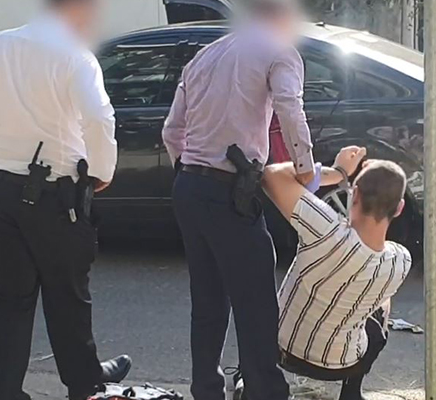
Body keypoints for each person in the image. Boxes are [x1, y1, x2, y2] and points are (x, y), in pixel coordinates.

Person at [0, 0, 131, 399]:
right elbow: (99, 118)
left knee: (10, 297)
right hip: (54, 195)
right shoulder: (74, 56)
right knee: (67, 294)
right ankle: (84, 384)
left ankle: (7, 391)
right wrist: (101, 170)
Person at [162, 0, 314, 399]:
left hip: (189, 187)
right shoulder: (279, 51)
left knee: (208, 300)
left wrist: (190, 169)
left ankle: (206, 389)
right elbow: (289, 107)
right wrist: (305, 168)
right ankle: (265, 390)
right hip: (231, 189)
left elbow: (172, 131)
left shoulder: (204, 56)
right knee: (256, 299)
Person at [234, 147, 412, 400]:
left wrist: (338, 172)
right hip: (346, 363)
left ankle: (249, 376)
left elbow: (272, 175)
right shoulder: (401, 260)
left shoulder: (326, 229)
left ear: (355, 195)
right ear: (399, 208)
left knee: (252, 286)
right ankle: (352, 392)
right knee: (382, 305)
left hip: (280, 348)